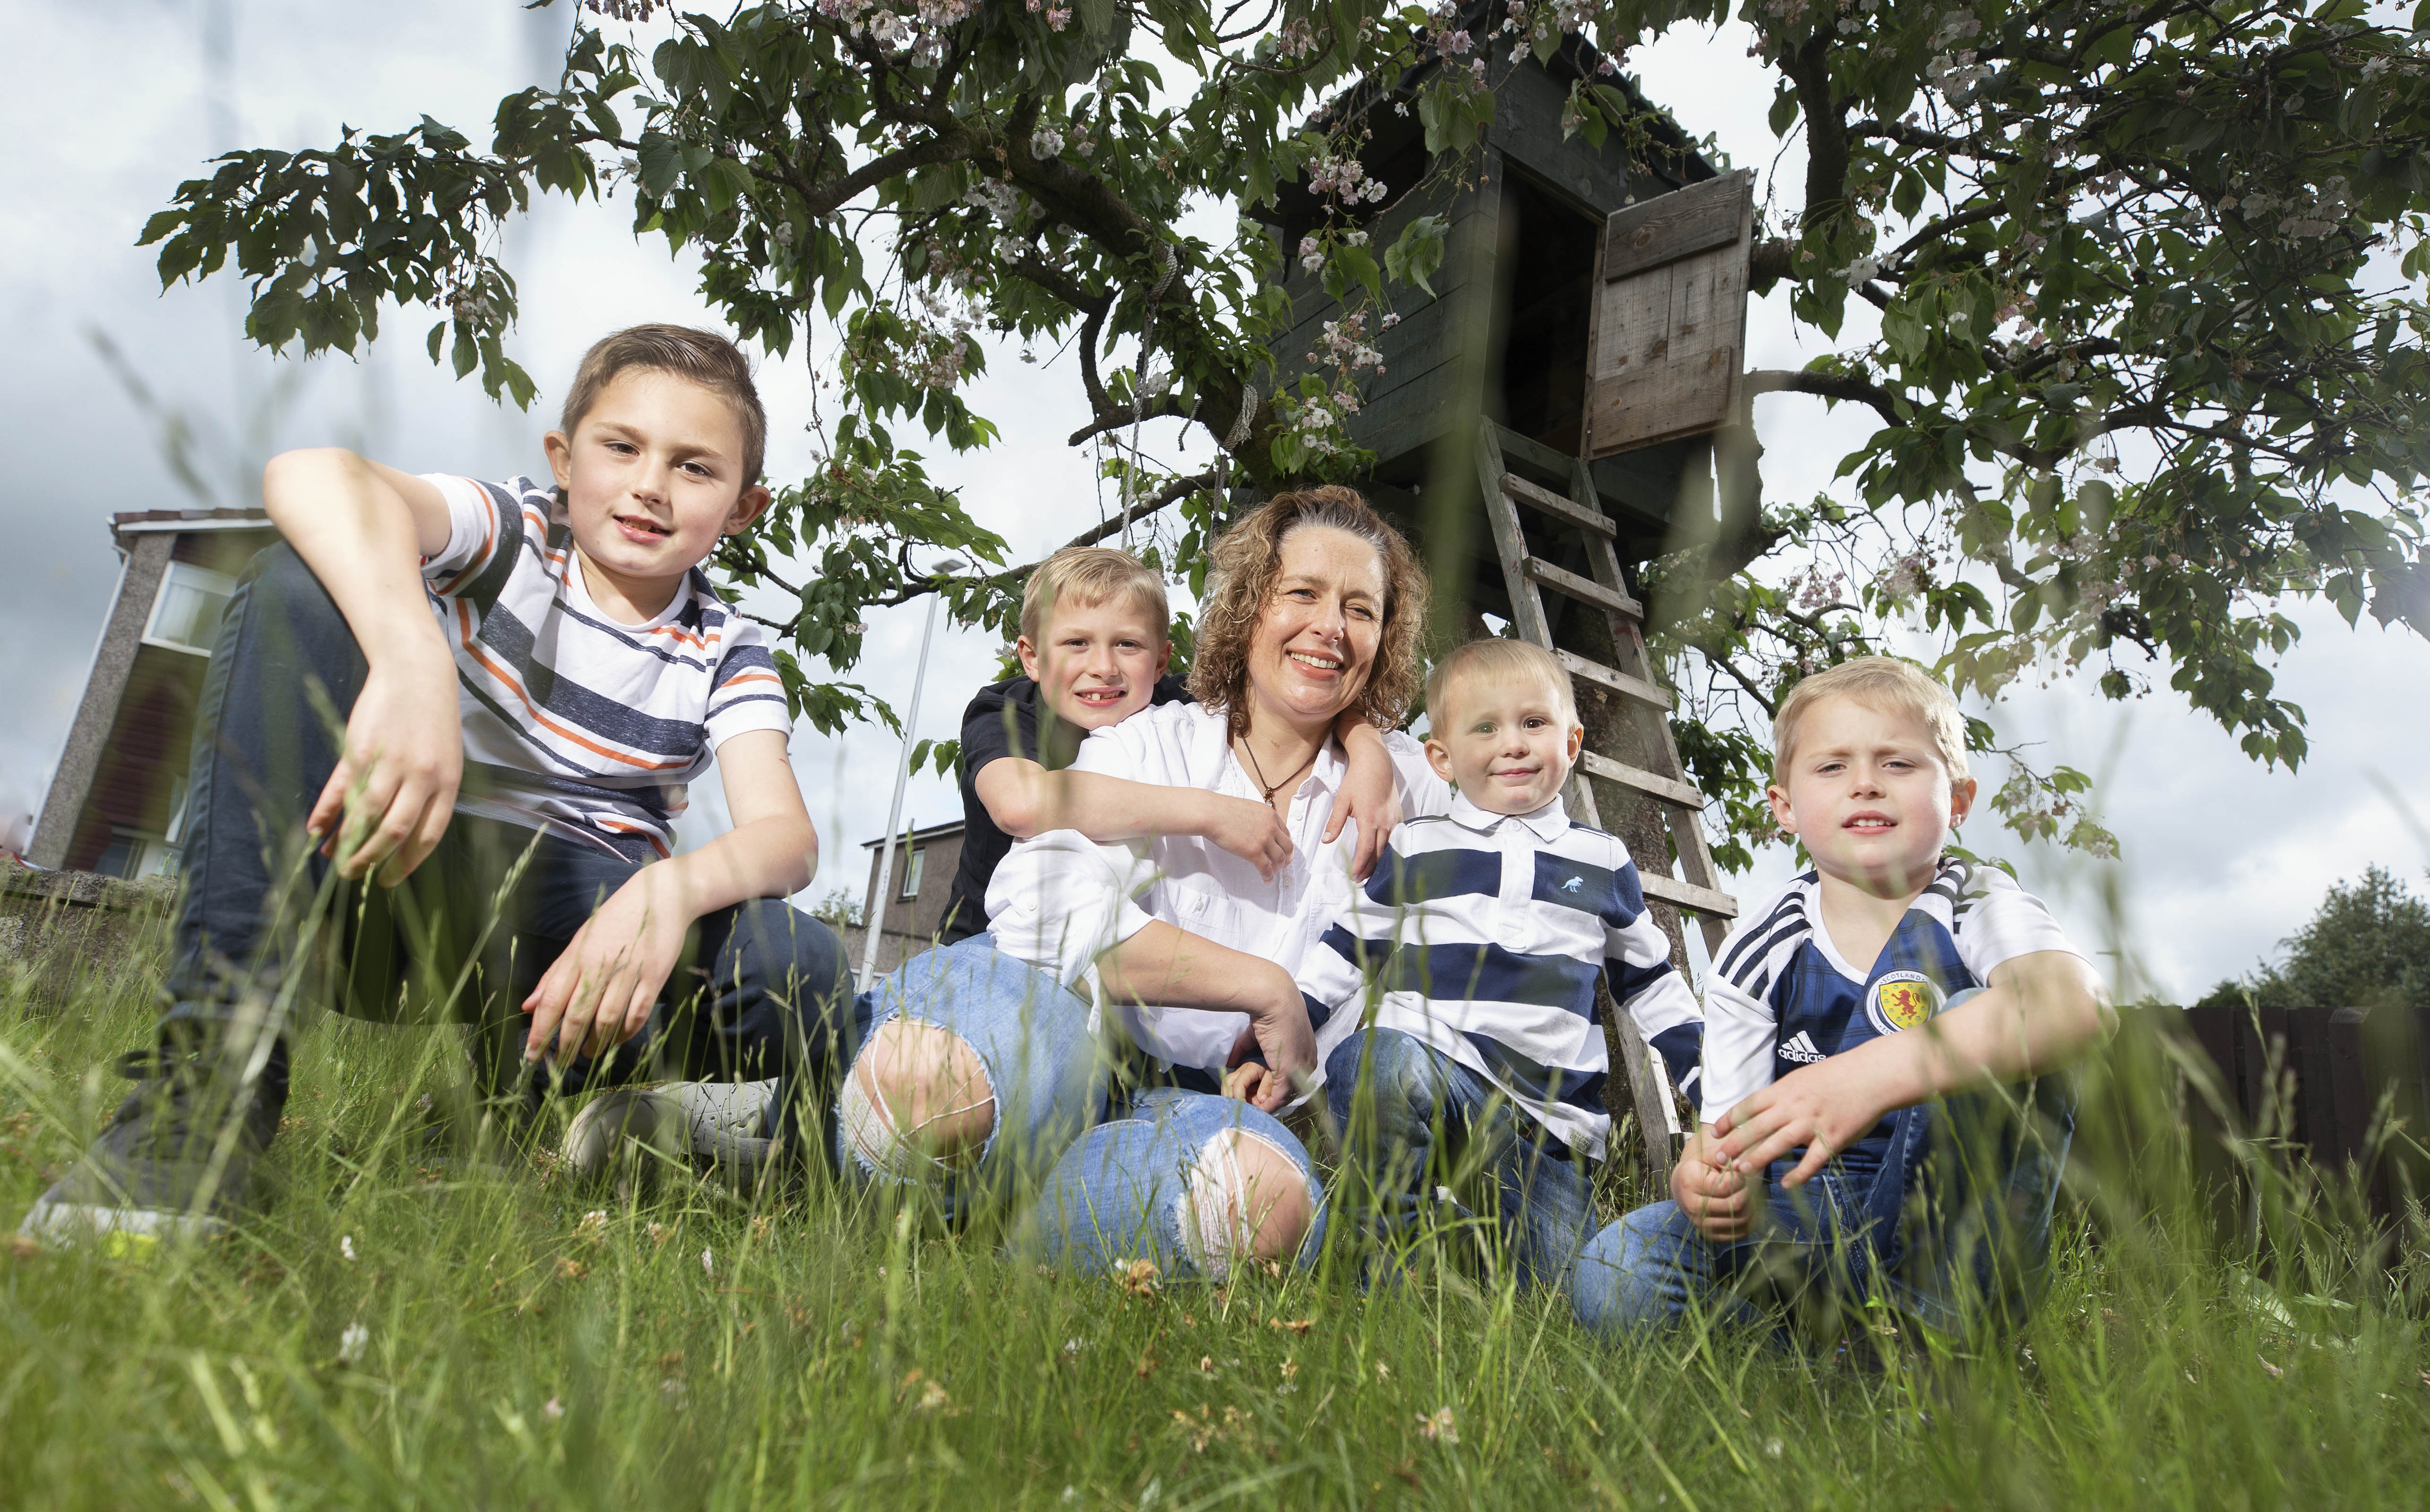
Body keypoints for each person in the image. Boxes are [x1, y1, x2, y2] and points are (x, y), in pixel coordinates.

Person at [19, 325, 848, 1246]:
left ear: (743, 506)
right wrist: (411, 652)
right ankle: (206, 1101)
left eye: (696, 468)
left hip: (579, 946)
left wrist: (667, 891)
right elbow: (311, 474)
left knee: (799, 962)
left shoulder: (728, 650)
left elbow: (787, 838)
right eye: (622, 447)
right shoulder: (514, 535)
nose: (651, 483)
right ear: (563, 460)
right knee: (300, 586)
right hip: (396, 875)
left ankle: (532, 1098)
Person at [839, 487, 1447, 1281]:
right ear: (1248, 607)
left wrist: (1365, 738)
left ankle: (1028, 1230)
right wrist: (1261, 988)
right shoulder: (1151, 741)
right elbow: (1044, 910)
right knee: (933, 1086)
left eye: (1359, 609)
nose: (1330, 625)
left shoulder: (1407, 787)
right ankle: (936, 1171)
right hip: (1063, 1030)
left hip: (1207, 1101)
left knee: (1263, 1208)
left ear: (1383, 637)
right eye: (1301, 593)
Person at [1571, 656, 2113, 1341]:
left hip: (1936, 1221)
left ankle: (1938, 1348)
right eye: (1831, 768)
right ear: (1786, 808)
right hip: (1797, 1211)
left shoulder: (1977, 904)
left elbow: (2075, 1005)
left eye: (1897, 765)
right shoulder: (1763, 944)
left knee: (2012, 1037)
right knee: (1616, 1273)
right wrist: (1703, 1176)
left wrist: (1864, 1077)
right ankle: (1799, 1351)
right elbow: (1726, 1132)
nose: (1864, 784)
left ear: (1957, 800)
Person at [1257, 637, 1703, 1286]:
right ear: (1441, 757)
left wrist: (1718, 1093)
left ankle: (1463, 1241)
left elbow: (1654, 987)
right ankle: (1387, 1263)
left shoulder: (1602, 861)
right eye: (1485, 728)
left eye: (1533, 723)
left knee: (1562, 1297)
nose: (1513, 744)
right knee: (1376, 1057)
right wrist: (1269, 1047)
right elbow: (1346, 952)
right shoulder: (1415, 847)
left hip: (1548, 1141)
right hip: (1437, 1080)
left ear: (1571, 743)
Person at [937, 545, 1402, 946]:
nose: (1103, 666)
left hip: (1116, 950)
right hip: (992, 937)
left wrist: (1367, 748)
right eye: (1076, 643)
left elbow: (1287, 696)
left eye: (1128, 645)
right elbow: (1022, 804)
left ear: (1161, 662)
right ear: (1032, 657)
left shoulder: (1174, 704)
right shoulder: (1008, 711)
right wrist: (1211, 813)